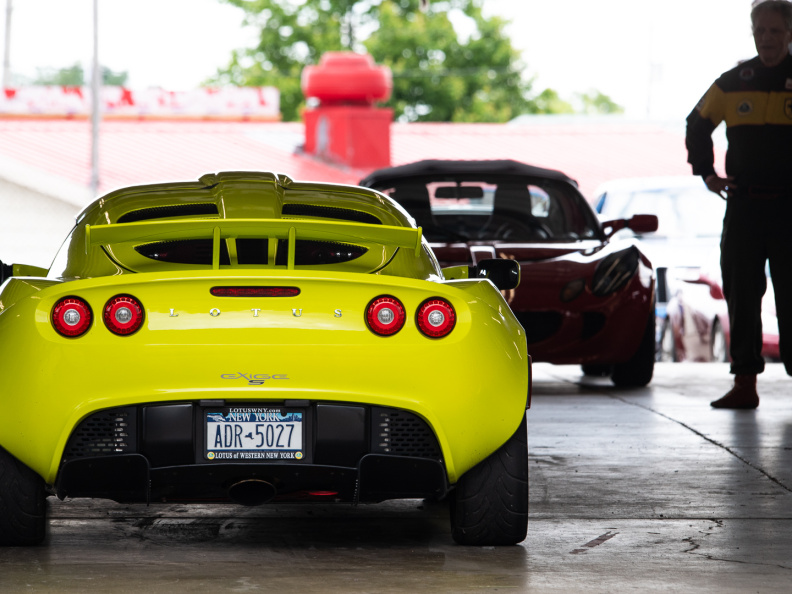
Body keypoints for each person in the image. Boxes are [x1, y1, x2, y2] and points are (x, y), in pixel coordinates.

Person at [685, 0, 792, 409]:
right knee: (741, 294)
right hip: (745, 208)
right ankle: (745, 384)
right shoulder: (733, 82)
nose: (767, 38)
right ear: (752, 33)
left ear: (789, 34)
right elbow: (697, 123)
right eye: (760, 31)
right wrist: (706, 172)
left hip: (790, 211)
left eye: (775, 31)